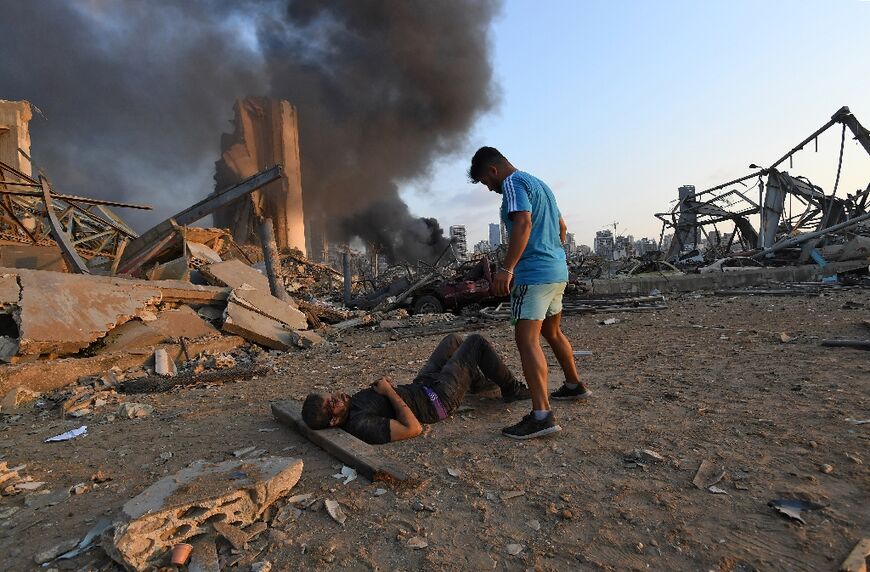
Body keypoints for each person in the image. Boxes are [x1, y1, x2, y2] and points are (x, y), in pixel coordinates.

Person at [468, 146, 591, 440]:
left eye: (487, 182)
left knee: (526, 339)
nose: (490, 188)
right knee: (553, 332)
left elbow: (522, 221)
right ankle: (574, 385)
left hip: (534, 275)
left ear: (494, 170)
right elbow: (562, 226)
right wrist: (550, 253)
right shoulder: (541, 185)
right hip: (556, 271)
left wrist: (508, 268)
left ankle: (541, 415)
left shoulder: (512, 183)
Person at [301, 333, 531, 444]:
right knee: (475, 342)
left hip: (423, 385)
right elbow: (412, 428)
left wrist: (387, 388)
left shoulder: (351, 406)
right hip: (438, 401)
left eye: (333, 394)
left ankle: (477, 384)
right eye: (333, 402)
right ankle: (512, 390)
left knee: (453, 341)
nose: (339, 395)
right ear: (333, 421)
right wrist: (389, 392)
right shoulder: (361, 423)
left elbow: (386, 401)